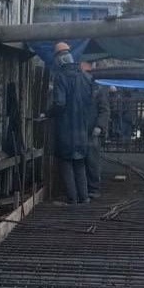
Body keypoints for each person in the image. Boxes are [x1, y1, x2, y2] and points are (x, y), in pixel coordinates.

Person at [48, 43, 94, 204]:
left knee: (66, 163)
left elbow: (60, 104)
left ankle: (72, 199)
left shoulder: (61, 77)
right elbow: (90, 103)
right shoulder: (84, 77)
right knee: (80, 163)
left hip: (66, 128)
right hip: (81, 129)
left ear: (59, 60)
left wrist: (48, 113)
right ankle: (84, 197)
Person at [81, 62, 110, 199]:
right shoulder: (79, 89)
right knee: (80, 160)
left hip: (93, 131)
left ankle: (93, 188)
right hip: (79, 130)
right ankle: (83, 188)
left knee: (92, 160)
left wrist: (99, 126)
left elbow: (104, 110)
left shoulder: (98, 90)